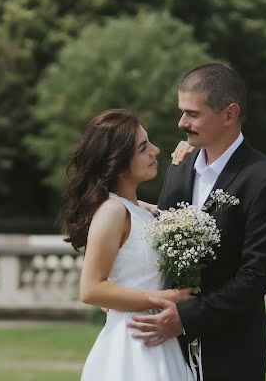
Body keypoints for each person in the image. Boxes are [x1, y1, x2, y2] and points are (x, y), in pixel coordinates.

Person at [127, 63, 266, 381]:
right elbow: (158, 245)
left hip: (231, 350)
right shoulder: (179, 165)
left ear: (230, 114)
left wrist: (186, 317)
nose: (181, 123)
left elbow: (256, 276)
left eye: (193, 114)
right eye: (182, 111)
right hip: (165, 346)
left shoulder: (265, 179)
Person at [61, 109, 193, 381]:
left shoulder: (142, 211)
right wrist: (171, 298)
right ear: (119, 163)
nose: (155, 150)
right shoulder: (112, 211)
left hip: (160, 338)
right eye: (143, 147)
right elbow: (91, 289)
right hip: (131, 344)